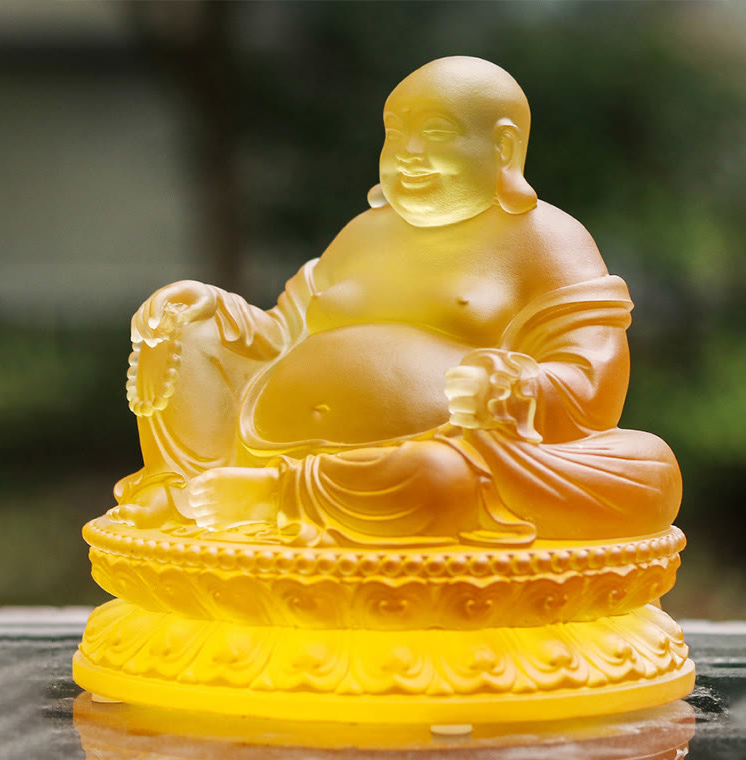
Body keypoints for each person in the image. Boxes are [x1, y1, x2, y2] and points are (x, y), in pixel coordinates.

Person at [112, 56, 681, 547]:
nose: (407, 152)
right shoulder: (363, 232)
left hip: (442, 459)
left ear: (504, 147)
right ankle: (183, 492)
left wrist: (513, 386)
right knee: (185, 324)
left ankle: (279, 500)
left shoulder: (548, 241)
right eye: (394, 131)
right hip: (260, 443)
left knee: (648, 471)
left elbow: (591, 388)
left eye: (435, 132)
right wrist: (210, 309)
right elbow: (281, 336)